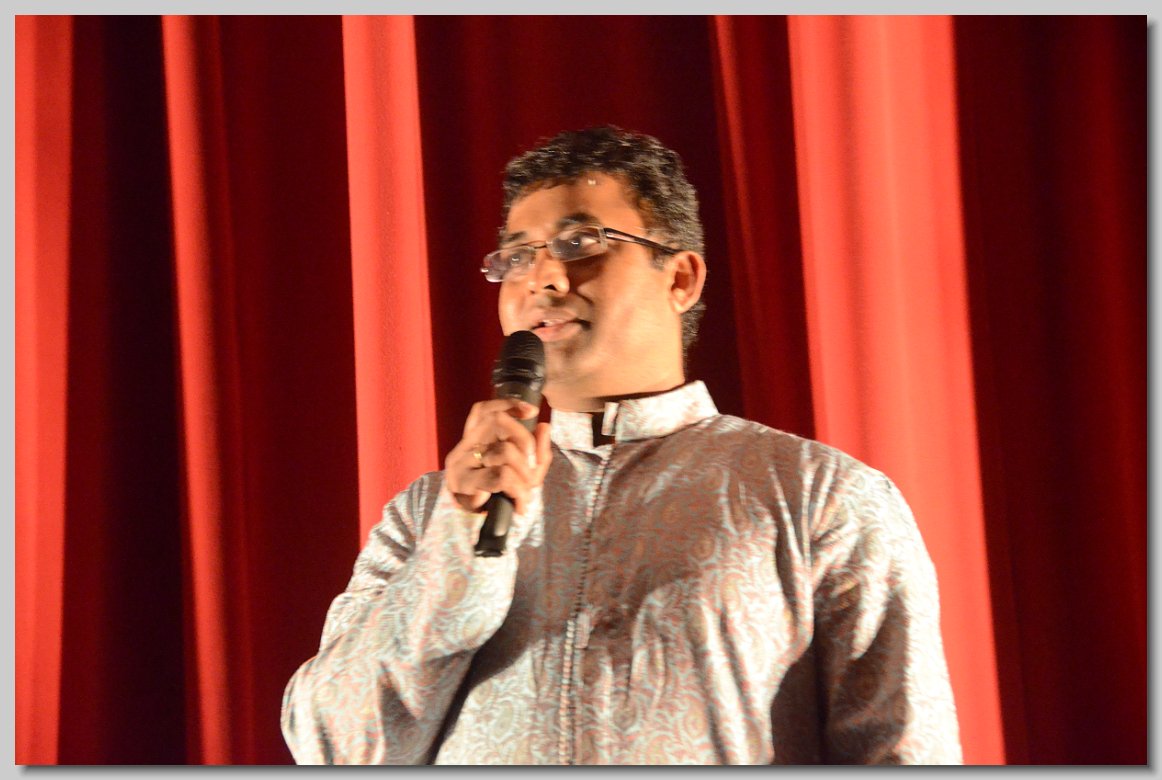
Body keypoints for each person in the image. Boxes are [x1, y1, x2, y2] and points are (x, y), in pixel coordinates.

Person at [280, 126, 963, 765]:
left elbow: (906, 751)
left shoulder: (818, 497)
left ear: (680, 278)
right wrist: (457, 552)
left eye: (580, 243)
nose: (541, 279)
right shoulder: (427, 515)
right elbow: (330, 744)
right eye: (516, 256)